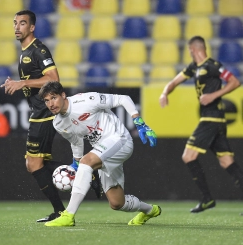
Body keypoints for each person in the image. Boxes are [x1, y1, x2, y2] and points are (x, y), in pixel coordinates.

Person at [0, 10, 102, 222]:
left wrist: (23, 83)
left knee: (34, 164)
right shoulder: (24, 51)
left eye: (22, 23)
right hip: (39, 113)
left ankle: (63, 207)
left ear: (32, 27)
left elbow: (53, 78)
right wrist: (19, 83)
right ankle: (85, 174)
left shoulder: (38, 49)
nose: (17, 27)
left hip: (46, 113)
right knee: (34, 164)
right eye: (15, 23)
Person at [37, 81, 161, 227]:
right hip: (103, 150)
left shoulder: (86, 100)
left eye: (53, 98)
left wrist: (139, 122)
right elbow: (76, 141)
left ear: (63, 95)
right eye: (46, 100)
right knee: (116, 203)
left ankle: (68, 215)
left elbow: (123, 99)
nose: (51, 103)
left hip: (120, 140)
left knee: (87, 161)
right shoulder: (58, 123)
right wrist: (76, 163)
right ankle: (150, 210)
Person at [159, 36, 243, 213]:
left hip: (211, 119)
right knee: (227, 161)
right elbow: (174, 82)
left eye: (189, 51)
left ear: (193, 49)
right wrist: (165, 93)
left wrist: (213, 95)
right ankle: (207, 199)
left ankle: (207, 199)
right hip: (215, 120)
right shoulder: (193, 68)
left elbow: (235, 82)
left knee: (188, 156)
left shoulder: (212, 65)